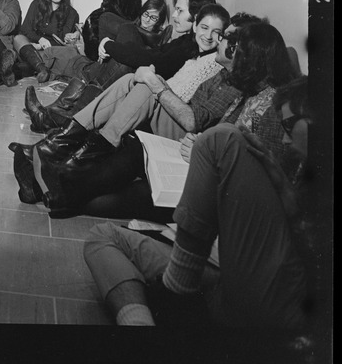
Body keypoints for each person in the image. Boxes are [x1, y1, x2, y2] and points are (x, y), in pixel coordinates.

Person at [82, 75, 315, 328]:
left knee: (219, 139)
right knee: (101, 236)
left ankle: (177, 287)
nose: (285, 139)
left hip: (267, 289)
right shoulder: (238, 92)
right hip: (224, 273)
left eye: (290, 126)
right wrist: (287, 199)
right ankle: (139, 322)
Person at [14, 16, 296, 219]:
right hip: (197, 158)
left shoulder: (269, 105)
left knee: (116, 194)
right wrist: (202, 146)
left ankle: (57, 177)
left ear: (250, 59)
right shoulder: (244, 88)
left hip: (212, 182)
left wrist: (203, 149)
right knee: (131, 143)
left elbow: (259, 176)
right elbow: (225, 136)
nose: (219, 43)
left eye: (228, 42)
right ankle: (60, 167)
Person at [25, 0, 217, 134]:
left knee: (122, 62)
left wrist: (108, 45)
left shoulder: (188, 47)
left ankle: (59, 118)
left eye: (179, 11)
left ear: (197, 15)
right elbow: (153, 55)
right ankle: (58, 115)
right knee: (120, 42)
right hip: (143, 84)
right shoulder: (184, 40)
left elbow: (153, 60)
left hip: (152, 99)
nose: (174, 15)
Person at [12, 0, 80, 84]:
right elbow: (25, 29)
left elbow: (62, 41)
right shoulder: (36, 4)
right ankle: (41, 69)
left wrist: (40, 46)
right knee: (18, 38)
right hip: (29, 48)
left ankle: (7, 72)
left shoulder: (71, 13)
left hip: (49, 53)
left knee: (33, 62)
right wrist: (39, 40)